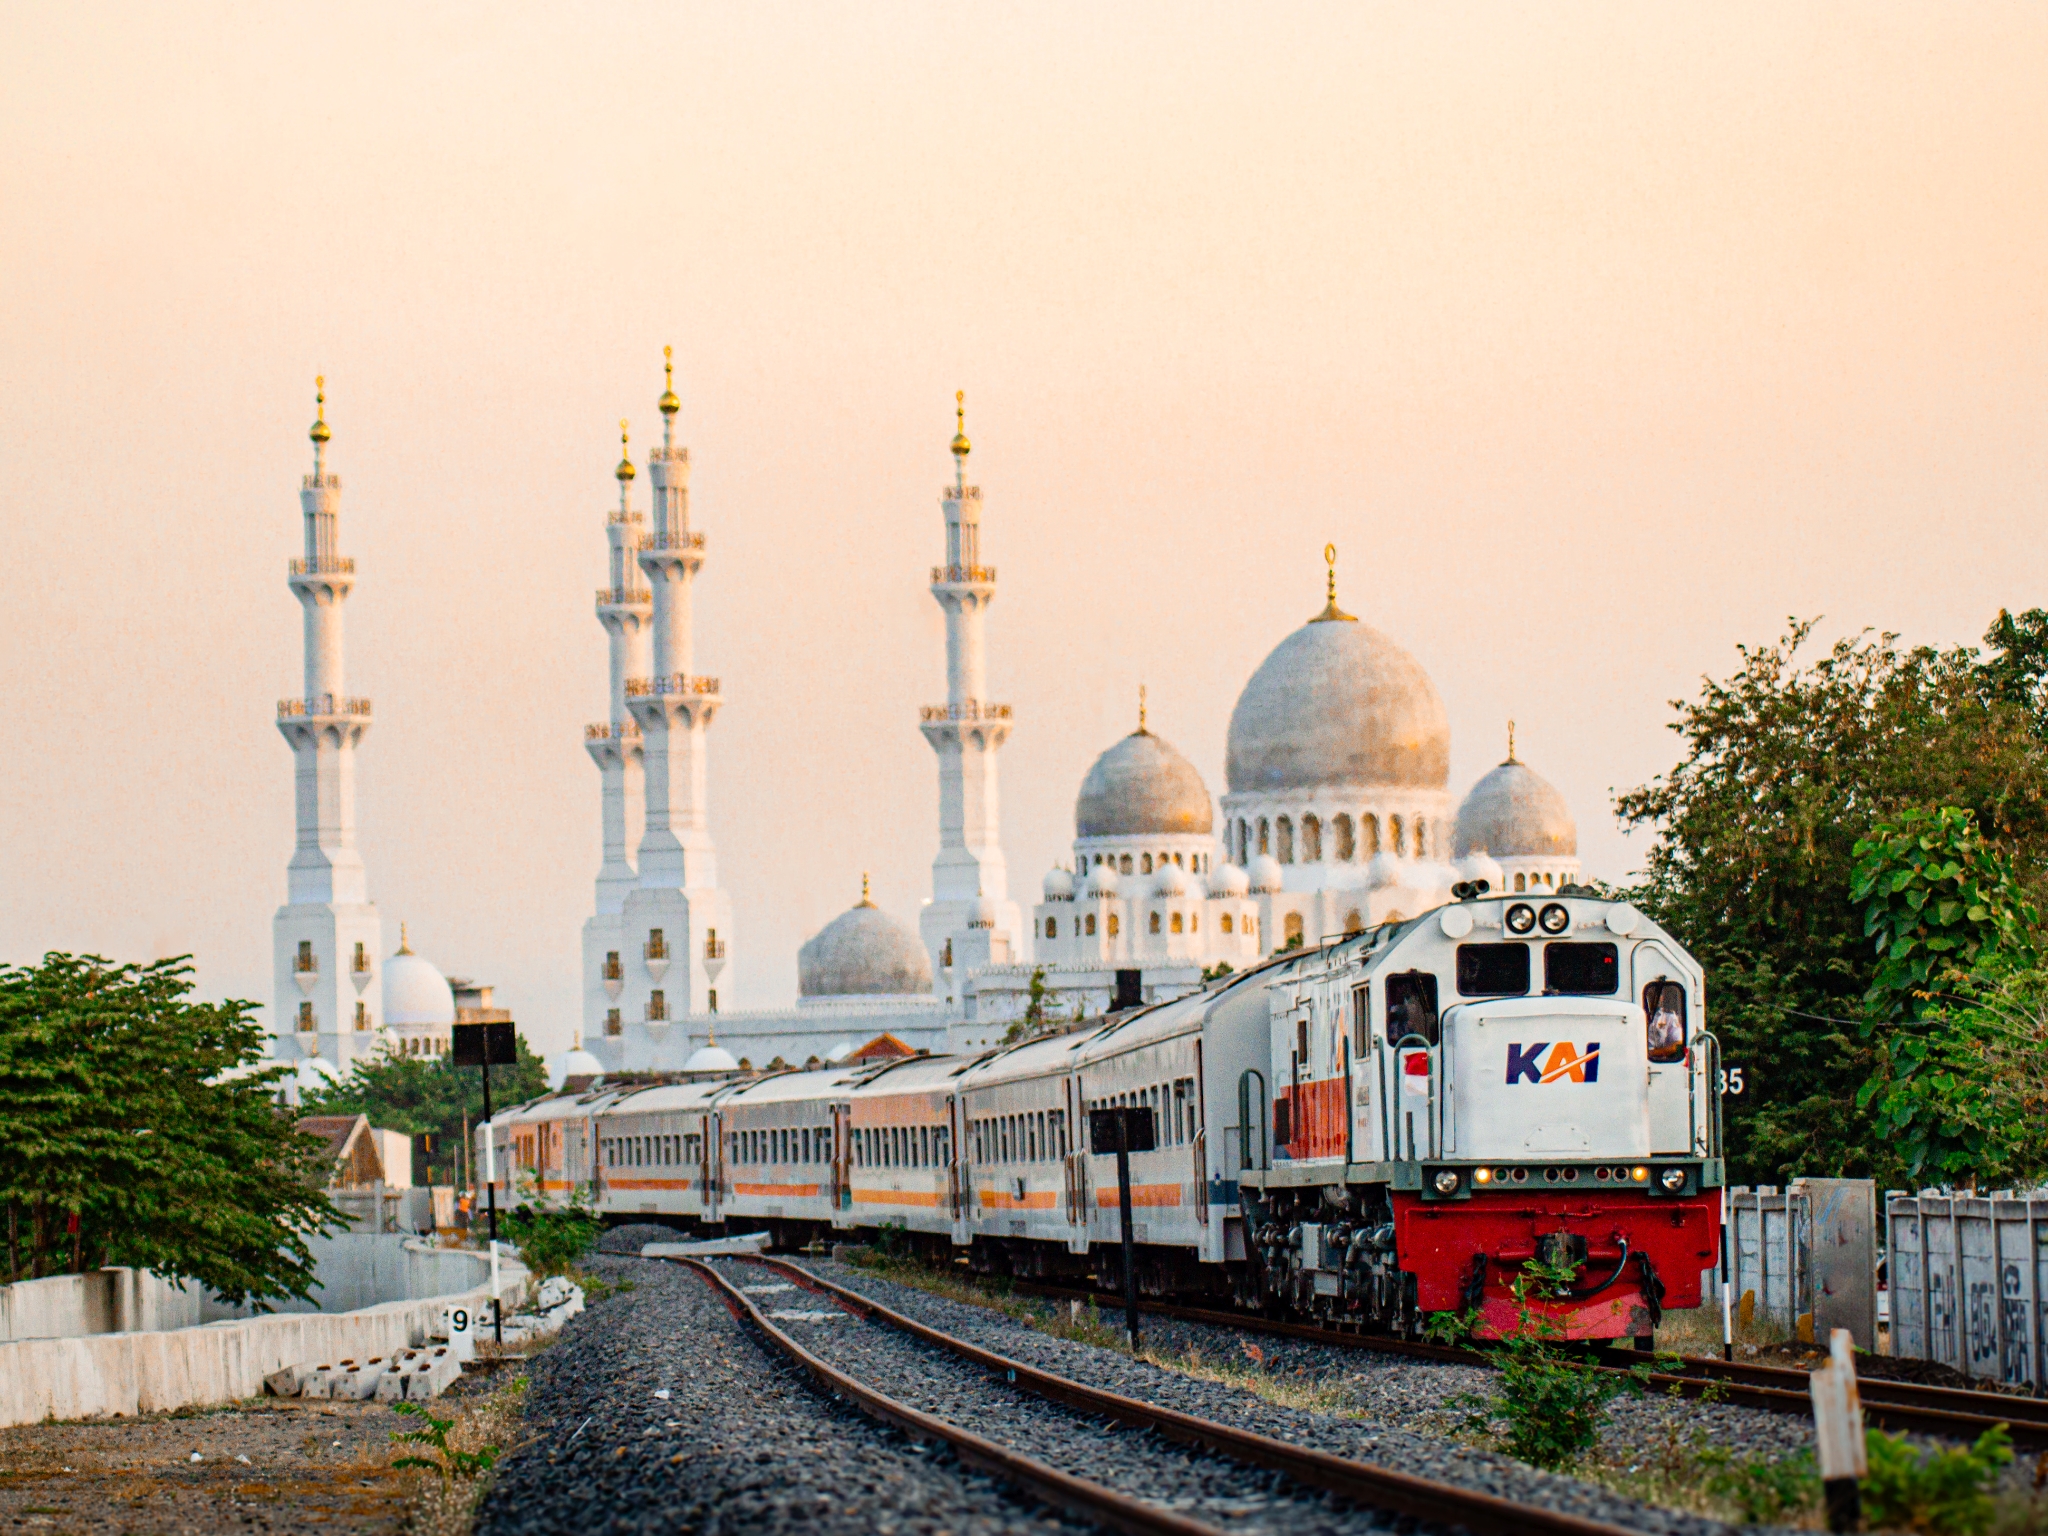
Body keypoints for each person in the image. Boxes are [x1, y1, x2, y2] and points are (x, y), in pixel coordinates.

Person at [1647, 982, 1685, 1061]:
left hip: (1657, 1061)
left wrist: (1652, 1053)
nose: (1652, 997)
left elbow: (1677, 1044)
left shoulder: (1669, 1017)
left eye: (1657, 994)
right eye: (1649, 994)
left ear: (1662, 997)